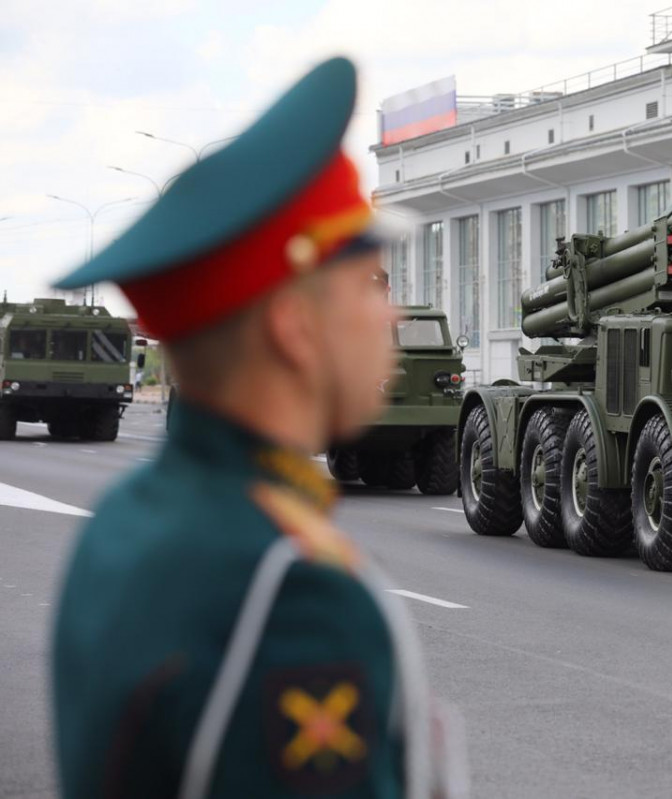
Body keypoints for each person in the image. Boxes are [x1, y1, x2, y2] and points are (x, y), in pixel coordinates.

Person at [51, 57, 464, 799]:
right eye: (366, 284)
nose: (391, 315)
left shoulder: (127, 520)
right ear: (295, 325)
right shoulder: (295, 594)